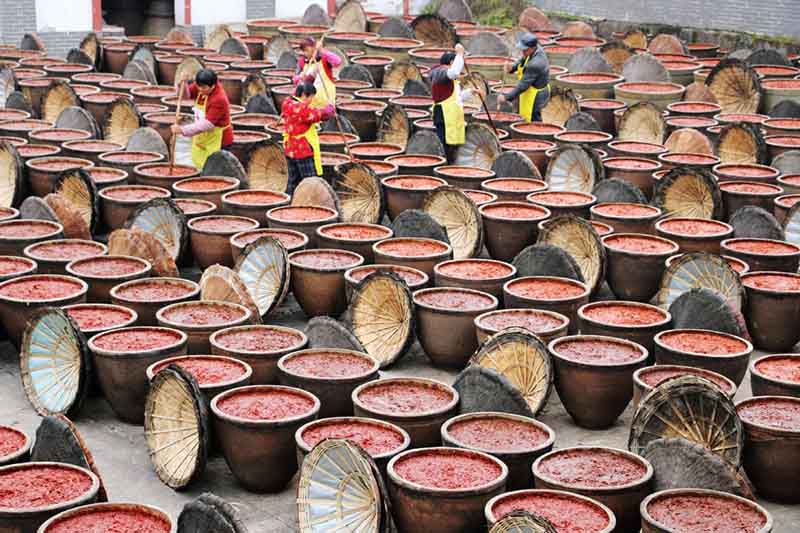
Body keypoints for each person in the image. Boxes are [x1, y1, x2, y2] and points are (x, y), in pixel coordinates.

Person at [171, 69, 233, 169]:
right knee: (201, 167)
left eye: (203, 87)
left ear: (213, 86)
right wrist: (183, 83)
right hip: (203, 137)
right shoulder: (201, 86)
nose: (200, 89)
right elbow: (186, 95)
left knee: (215, 169)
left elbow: (207, 124)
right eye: (198, 86)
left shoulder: (219, 99)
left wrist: (183, 130)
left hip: (219, 140)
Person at [282, 82, 336, 195]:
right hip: (302, 150)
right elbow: (321, 115)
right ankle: (311, 201)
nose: (311, 101)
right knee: (310, 180)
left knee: (293, 180)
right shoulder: (302, 109)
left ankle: (289, 202)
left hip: (289, 147)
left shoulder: (287, 102)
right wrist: (330, 107)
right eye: (311, 98)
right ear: (304, 95)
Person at [429, 43, 472, 162]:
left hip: (450, 117)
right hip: (443, 116)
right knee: (443, 147)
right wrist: (459, 54)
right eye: (460, 61)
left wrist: (471, 92)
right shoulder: (440, 72)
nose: (462, 65)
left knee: (449, 148)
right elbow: (453, 72)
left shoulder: (450, 78)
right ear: (452, 62)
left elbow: (456, 98)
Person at [497, 33, 550, 122]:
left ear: (532, 48)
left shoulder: (536, 64)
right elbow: (523, 59)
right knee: (524, 116)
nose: (523, 52)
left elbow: (522, 86)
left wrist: (506, 97)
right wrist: (512, 68)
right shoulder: (533, 50)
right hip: (530, 90)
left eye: (525, 50)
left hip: (537, 95)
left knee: (534, 119)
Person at [293, 37, 342, 109]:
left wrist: (322, 50)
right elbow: (295, 79)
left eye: (307, 50)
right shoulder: (302, 61)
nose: (305, 53)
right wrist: (300, 77)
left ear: (314, 48)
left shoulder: (324, 58)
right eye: (304, 51)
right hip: (310, 99)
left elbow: (337, 62)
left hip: (326, 96)